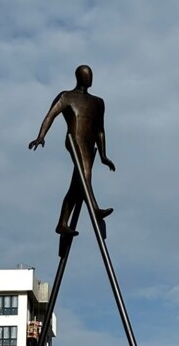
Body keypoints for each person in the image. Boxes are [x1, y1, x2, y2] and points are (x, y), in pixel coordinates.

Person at [29, 65, 115, 235]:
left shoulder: (98, 102)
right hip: (74, 140)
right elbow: (50, 115)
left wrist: (103, 155)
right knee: (85, 175)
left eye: (91, 75)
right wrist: (41, 136)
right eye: (86, 75)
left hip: (90, 144)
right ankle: (95, 208)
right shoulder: (67, 96)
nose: (89, 78)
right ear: (79, 77)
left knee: (77, 185)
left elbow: (100, 130)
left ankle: (62, 223)